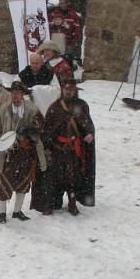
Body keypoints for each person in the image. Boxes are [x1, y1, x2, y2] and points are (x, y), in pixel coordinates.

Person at [32, 80, 95, 216]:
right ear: (62, 90)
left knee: (72, 178)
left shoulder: (81, 106)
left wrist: (89, 134)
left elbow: (87, 124)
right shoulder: (55, 107)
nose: (69, 92)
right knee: (52, 178)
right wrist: (47, 146)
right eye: (66, 89)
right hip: (57, 150)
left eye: (71, 89)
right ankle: (49, 204)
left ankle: (72, 204)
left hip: (73, 151)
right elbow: (47, 128)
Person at [0, 82, 46, 223]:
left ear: (23, 94)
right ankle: (2, 213)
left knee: (24, 181)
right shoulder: (3, 109)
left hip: (26, 152)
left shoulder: (32, 110)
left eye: (18, 93)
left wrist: (29, 131)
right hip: (8, 153)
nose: (16, 96)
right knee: (3, 181)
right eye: (13, 92)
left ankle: (17, 211)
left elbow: (41, 127)